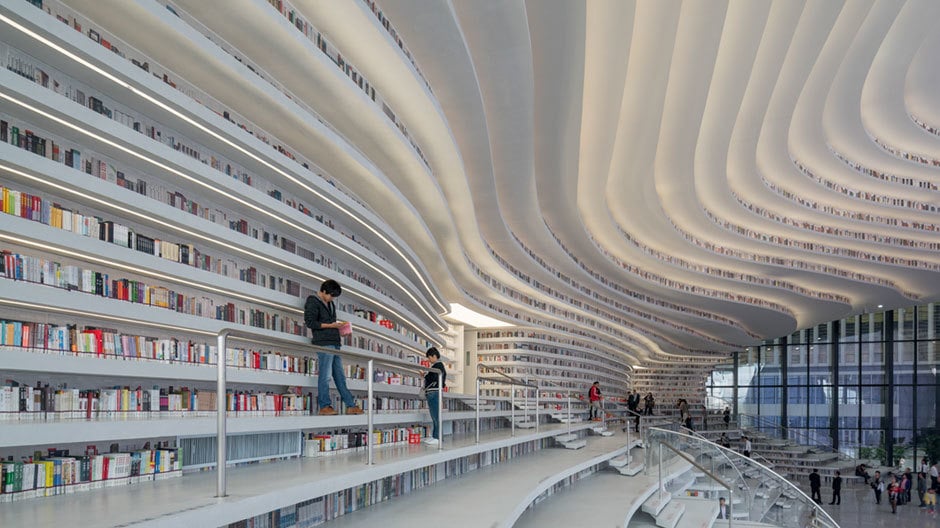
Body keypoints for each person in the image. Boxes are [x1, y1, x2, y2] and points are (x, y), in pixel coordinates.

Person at [304, 279, 363, 416]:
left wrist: (341, 328)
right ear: (323, 291)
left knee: (340, 376)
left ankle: (351, 405)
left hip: (335, 342)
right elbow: (311, 322)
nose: (332, 298)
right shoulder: (312, 301)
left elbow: (330, 322)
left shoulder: (331, 304)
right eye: (331, 295)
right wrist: (331, 325)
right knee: (325, 376)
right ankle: (324, 406)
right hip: (324, 343)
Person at [422, 347, 446, 445]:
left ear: (434, 356)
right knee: (435, 416)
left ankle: (437, 437)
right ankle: (435, 436)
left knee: (436, 416)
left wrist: (424, 375)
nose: (429, 360)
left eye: (429, 357)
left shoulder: (438, 366)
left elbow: (433, 379)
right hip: (434, 392)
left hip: (434, 392)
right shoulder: (438, 366)